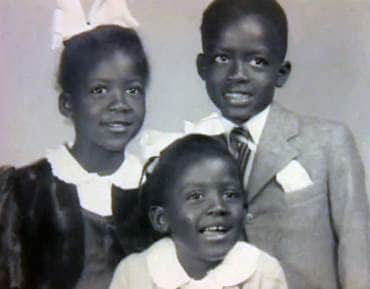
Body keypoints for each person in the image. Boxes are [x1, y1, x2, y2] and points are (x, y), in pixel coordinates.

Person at [193, 0, 368, 288]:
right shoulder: (188, 151)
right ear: (202, 66)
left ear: (281, 73)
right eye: (223, 58)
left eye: (257, 61)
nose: (238, 74)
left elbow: (357, 250)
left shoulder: (328, 143)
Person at [0, 1, 151, 288]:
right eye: (99, 90)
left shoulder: (154, 188)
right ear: (67, 104)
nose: (119, 104)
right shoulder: (26, 191)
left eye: (133, 90)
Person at [110, 134, 288, 289]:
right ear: (161, 219)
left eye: (230, 194)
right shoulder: (135, 274)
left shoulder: (263, 272)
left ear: (244, 209)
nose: (218, 206)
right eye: (196, 197)